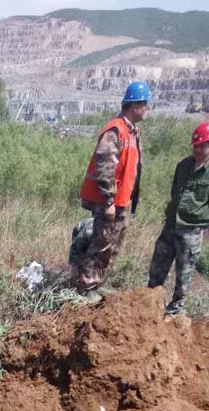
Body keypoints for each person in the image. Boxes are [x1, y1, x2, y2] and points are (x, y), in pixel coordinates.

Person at [74, 81, 150, 292]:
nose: (147, 109)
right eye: (145, 105)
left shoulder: (132, 131)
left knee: (111, 247)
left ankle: (96, 284)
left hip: (122, 203)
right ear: (135, 106)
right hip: (111, 204)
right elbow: (105, 167)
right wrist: (108, 202)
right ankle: (86, 286)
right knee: (101, 245)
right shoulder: (116, 130)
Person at [148, 121, 209, 314]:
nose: (198, 150)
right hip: (171, 225)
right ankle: (150, 304)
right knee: (157, 267)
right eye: (196, 146)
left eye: (202, 146)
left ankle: (175, 312)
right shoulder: (183, 165)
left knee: (183, 275)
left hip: (191, 229)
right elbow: (176, 191)